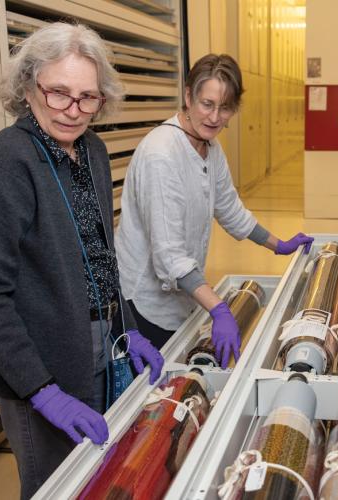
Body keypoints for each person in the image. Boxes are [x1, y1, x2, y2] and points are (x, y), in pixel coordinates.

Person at [0, 23, 163, 499]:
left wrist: (126, 326)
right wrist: (42, 391)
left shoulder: (90, 149)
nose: (73, 111)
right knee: (55, 487)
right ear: (29, 86)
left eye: (88, 98)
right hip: (40, 369)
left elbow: (101, 255)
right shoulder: (3, 166)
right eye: (59, 94)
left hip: (97, 345)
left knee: (99, 476)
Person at [116, 53, 313, 364]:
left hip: (182, 298)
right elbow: (169, 256)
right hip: (145, 307)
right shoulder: (161, 156)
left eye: (225, 108)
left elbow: (230, 209)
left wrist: (279, 245)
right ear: (188, 96)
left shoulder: (209, 147)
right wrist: (219, 309)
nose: (215, 117)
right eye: (207, 104)